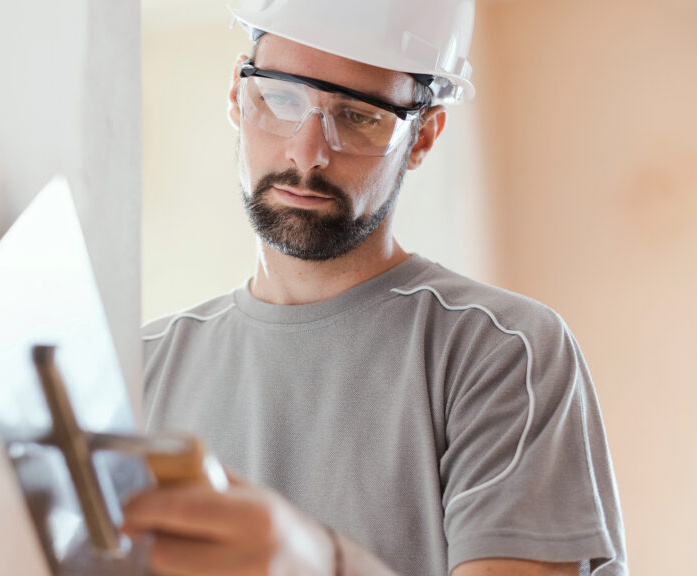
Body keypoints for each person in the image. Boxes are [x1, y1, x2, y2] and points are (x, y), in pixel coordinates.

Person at [123, 1, 627, 574]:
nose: (306, 152)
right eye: (282, 99)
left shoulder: (501, 352)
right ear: (238, 97)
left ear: (423, 136)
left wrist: (321, 563)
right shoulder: (141, 367)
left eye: (360, 116)